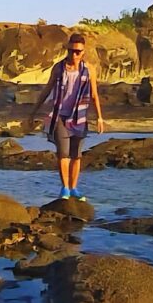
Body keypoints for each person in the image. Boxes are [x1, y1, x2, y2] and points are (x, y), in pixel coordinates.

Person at [29, 33, 105, 200]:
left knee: (76, 155)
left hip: (80, 117)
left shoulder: (89, 69)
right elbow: (47, 90)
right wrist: (33, 113)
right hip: (60, 117)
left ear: (83, 52)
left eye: (78, 51)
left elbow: (94, 94)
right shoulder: (59, 68)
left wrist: (99, 117)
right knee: (63, 154)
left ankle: (74, 188)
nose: (74, 54)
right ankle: (65, 188)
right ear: (67, 49)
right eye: (71, 50)